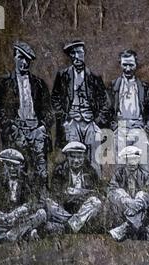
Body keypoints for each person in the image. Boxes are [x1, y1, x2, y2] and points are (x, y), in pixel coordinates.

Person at [0, 41, 53, 187]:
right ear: (14, 58)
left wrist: (42, 128)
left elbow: (49, 111)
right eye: (20, 58)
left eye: (27, 60)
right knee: (17, 171)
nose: (24, 62)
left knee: (41, 171)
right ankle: (18, 202)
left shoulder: (38, 84)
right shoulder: (6, 83)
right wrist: (9, 125)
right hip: (16, 131)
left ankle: (42, 202)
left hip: (36, 131)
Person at [51, 40, 108, 174]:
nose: (76, 56)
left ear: (84, 53)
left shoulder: (94, 76)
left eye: (79, 52)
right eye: (72, 53)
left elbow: (105, 101)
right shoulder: (63, 75)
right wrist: (64, 119)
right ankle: (72, 187)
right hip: (72, 122)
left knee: (95, 157)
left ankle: (96, 187)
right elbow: (55, 98)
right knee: (74, 155)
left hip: (90, 122)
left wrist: (97, 121)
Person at [0, 149, 46, 245]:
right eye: (8, 165)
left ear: (21, 166)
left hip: (21, 221)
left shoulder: (28, 181)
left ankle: (6, 236)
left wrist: (23, 209)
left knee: (41, 213)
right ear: (4, 166)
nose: (12, 169)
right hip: (2, 221)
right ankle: (22, 234)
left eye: (15, 165)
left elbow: (39, 201)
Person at [103, 49, 149, 155]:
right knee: (120, 163)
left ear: (136, 64)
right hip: (120, 128)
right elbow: (107, 110)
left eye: (131, 65)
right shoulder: (113, 86)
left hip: (139, 127)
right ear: (120, 64)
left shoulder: (144, 87)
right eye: (124, 65)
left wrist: (147, 128)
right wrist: (114, 127)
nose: (127, 69)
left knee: (143, 163)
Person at [45, 141, 103, 234]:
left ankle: (66, 227)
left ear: (84, 157)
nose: (76, 160)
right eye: (72, 156)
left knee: (96, 202)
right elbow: (56, 193)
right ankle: (75, 224)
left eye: (79, 157)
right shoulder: (60, 170)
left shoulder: (90, 171)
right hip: (64, 208)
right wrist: (78, 194)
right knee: (48, 202)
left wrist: (74, 193)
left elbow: (96, 192)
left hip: (82, 208)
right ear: (67, 157)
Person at [108, 146, 149, 242]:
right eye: (129, 159)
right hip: (124, 208)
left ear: (139, 160)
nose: (132, 163)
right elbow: (111, 190)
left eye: (135, 159)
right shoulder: (118, 174)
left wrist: (136, 203)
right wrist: (127, 200)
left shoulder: (146, 175)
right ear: (124, 160)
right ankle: (144, 231)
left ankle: (127, 227)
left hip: (140, 208)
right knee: (119, 192)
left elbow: (148, 189)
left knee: (143, 194)